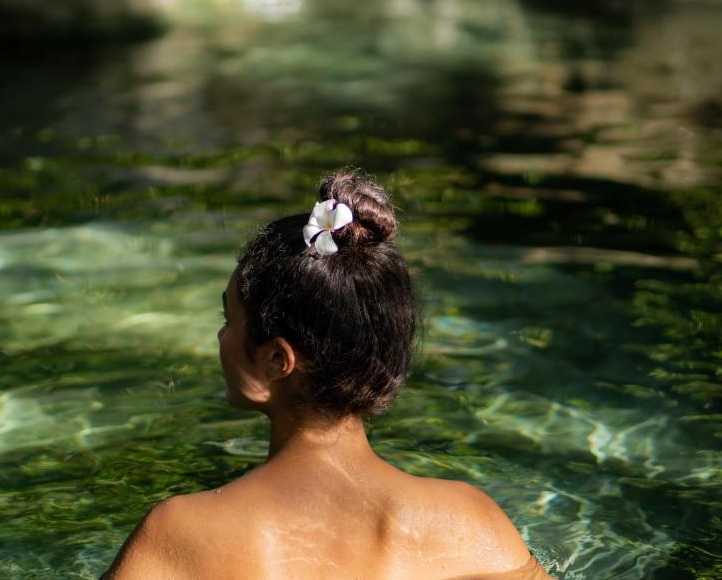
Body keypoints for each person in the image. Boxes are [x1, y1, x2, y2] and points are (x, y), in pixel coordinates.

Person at [103, 171, 556, 579]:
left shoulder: (183, 534)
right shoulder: (471, 522)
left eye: (227, 319)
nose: (220, 338)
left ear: (277, 360)